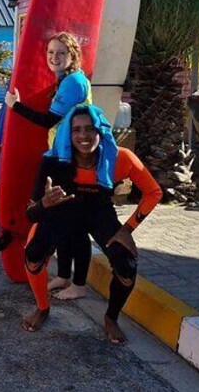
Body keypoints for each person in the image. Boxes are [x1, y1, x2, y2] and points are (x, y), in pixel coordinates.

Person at [21, 105, 161, 344]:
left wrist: (127, 229)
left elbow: (153, 192)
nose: (83, 135)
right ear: (68, 133)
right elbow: (30, 215)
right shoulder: (53, 162)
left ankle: (111, 318)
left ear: (101, 131)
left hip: (98, 214)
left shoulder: (119, 158)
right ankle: (43, 308)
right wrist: (44, 203)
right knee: (33, 255)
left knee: (126, 264)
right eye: (76, 130)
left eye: (90, 129)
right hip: (61, 213)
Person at [4, 32, 92, 300]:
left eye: (61, 53)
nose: (55, 58)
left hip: (73, 159)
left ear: (72, 55)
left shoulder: (73, 82)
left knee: (75, 224)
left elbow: (47, 121)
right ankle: (64, 277)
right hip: (62, 155)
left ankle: (79, 284)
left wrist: (15, 107)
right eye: (51, 53)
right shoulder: (66, 80)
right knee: (62, 220)